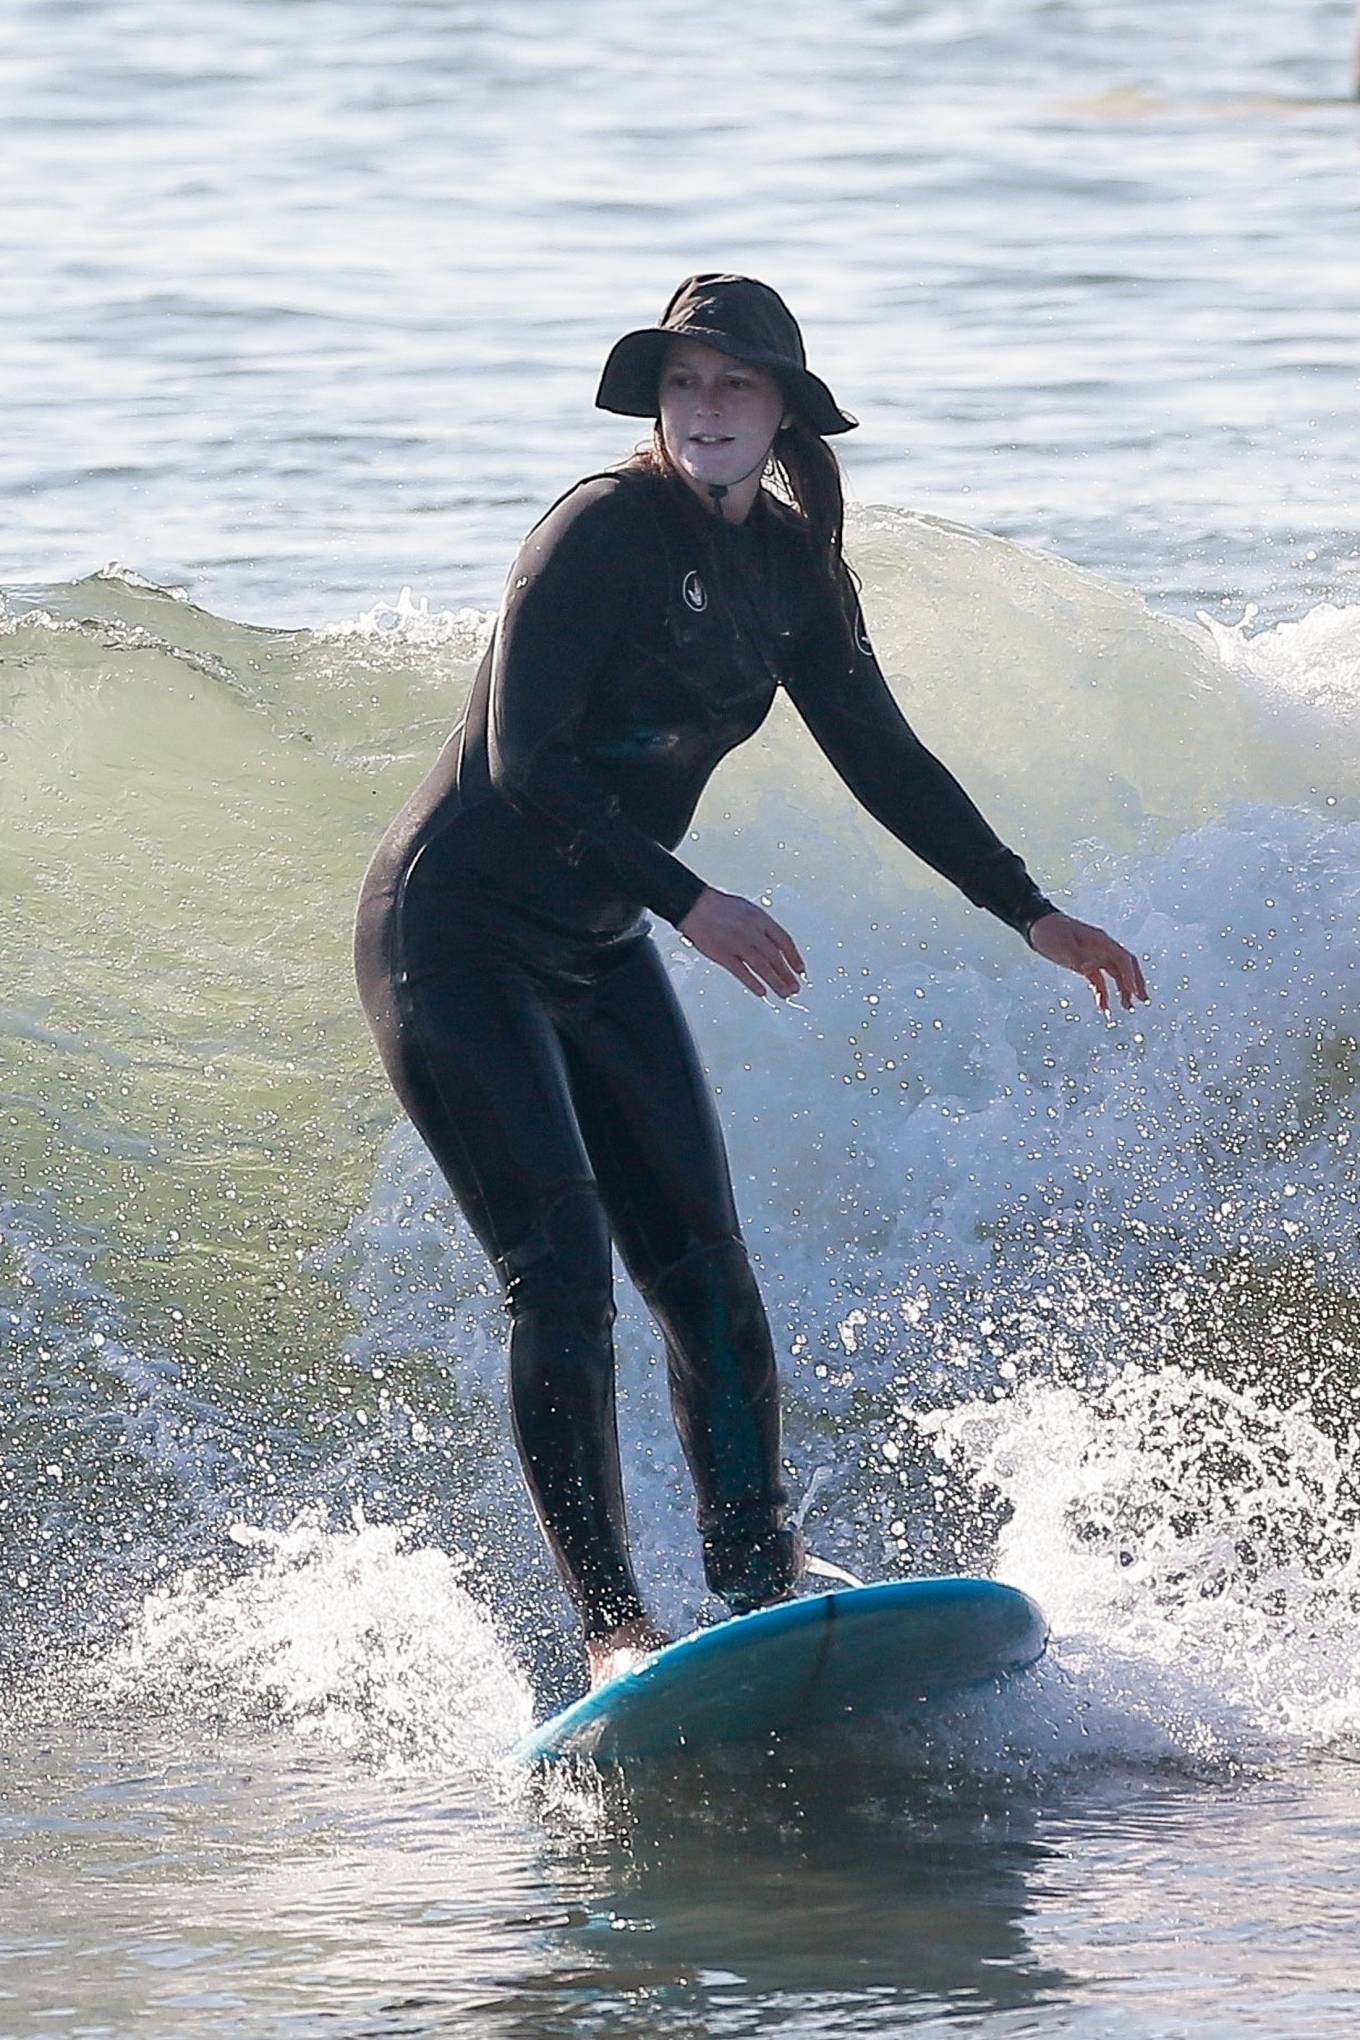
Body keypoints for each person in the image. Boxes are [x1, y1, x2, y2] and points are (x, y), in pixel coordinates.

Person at [353, 274, 1148, 1690]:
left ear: (782, 411)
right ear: (659, 409)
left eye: (733, 387)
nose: (705, 410)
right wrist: (693, 904)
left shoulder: (792, 564)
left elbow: (885, 755)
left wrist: (1030, 913)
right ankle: (610, 1628)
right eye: (683, 388)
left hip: (594, 942)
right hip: (456, 936)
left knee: (707, 1279)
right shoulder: (597, 532)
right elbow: (523, 763)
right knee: (564, 1276)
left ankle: (753, 1576)